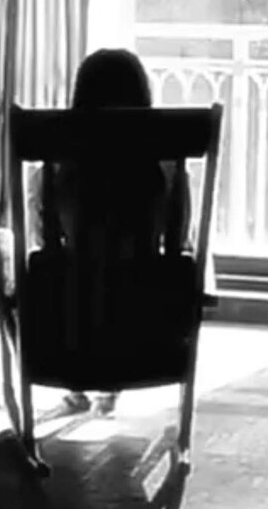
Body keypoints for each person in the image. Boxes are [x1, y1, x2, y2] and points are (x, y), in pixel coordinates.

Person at [27, 48, 191, 416]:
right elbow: (179, 236)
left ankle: (75, 385)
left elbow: (41, 235)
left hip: (68, 330)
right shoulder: (166, 170)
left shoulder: (55, 171)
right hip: (148, 331)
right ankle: (116, 384)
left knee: (46, 264)